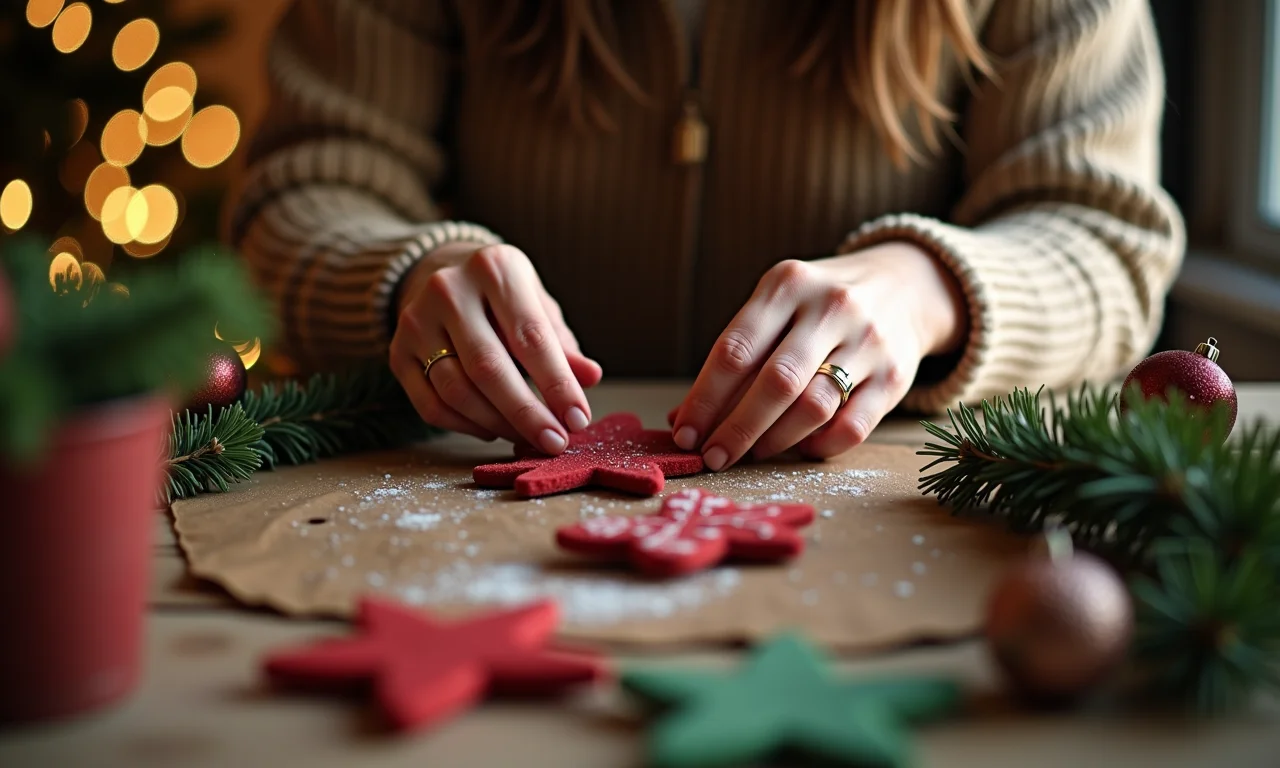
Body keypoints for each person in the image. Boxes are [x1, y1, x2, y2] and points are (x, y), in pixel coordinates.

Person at [228, 0, 1184, 472]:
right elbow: (299, 196)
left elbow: (1104, 238)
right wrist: (407, 280)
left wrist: (930, 288)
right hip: (443, 498)